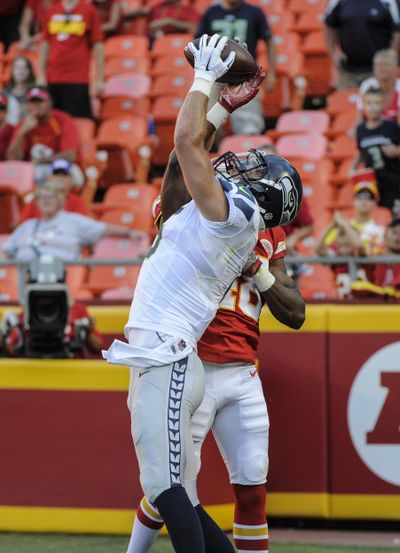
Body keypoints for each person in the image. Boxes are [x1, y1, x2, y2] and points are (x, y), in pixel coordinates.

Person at [103, 34, 302, 553]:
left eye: (256, 168)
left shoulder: (233, 216)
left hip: (170, 352)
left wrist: (204, 82)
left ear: (265, 193)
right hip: (166, 351)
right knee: (176, 492)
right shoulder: (213, 209)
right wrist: (217, 108)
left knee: (169, 489)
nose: (241, 164)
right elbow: (177, 170)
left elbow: (189, 146)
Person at [1, 181, 144, 262]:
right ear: (36, 203)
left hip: (62, 276)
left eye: (50, 197)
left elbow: (102, 229)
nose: (46, 201)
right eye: (42, 198)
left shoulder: (72, 220)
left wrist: (129, 232)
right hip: (25, 277)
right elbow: (6, 250)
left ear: (59, 201)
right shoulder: (28, 226)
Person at [195, 0, 276, 134]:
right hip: (215, 75)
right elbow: (200, 44)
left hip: (244, 76)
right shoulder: (211, 13)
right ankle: (215, 148)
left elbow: (269, 42)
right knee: (206, 125)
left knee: (249, 127)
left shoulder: (254, 12)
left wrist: (272, 72)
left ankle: (246, 151)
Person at [37, 0, 105, 118]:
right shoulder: (52, 11)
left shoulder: (89, 11)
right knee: (54, 123)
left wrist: (99, 79)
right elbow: (45, 44)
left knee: (78, 123)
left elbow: (98, 46)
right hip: (53, 79)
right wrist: (40, 74)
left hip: (78, 79)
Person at [7, 86, 82, 184]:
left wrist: (40, 161)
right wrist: (22, 133)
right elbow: (14, 159)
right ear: (27, 106)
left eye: (40, 101)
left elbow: (70, 156)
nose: (36, 106)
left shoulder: (63, 120)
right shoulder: (23, 124)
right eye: (32, 102)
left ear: (50, 103)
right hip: (33, 169)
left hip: (60, 166)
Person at [324, 0, 400, 90]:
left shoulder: (389, 2)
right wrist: (333, 54)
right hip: (348, 70)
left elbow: (397, 31)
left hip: (377, 70)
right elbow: (329, 26)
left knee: (377, 101)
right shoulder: (337, 1)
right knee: (344, 101)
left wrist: (390, 57)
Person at [353, 87, 400, 211]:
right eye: (369, 103)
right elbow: (360, 152)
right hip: (373, 183)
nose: (373, 107)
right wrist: (352, 168)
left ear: (384, 105)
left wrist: (396, 151)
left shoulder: (392, 126)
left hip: (394, 180)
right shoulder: (360, 130)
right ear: (363, 105)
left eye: (377, 103)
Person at [1, 301, 103, 358]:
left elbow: (98, 348)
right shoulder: (27, 313)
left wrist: (87, 332)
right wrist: (3, 338)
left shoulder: (77, 309)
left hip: (72, 368)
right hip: (36, 371)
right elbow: (13, 349)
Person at [20, 159, 89, 222]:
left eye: (64, 175)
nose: (60, 178)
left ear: (71, 179)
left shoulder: (78, 202)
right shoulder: (37, 200)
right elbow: (23, 225)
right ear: (50, 178)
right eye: (56, 174)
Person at [357, 49, 400, 123]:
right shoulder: (367, 85)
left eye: (386, 64)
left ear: (396, 68)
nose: (382, 68)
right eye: (379, 65)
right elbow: (360, 117)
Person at [125, 0, 200, 42]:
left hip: (178, 41)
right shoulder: (158, 7)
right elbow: (127, 15)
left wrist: (170, 22)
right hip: (155, 40)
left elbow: (195, 27)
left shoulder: (188, 9)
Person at [4, 56, 36, 125]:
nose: (21, 70)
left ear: (30, 71)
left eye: (25, 67)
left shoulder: (36, 92)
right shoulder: (5, 93)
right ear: (12, 71)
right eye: (18, 67)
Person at [0, 94, 14, 161]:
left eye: (1, 108)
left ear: (6, 110)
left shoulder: (12, 129)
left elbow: (11, 155)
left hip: (5, 168)